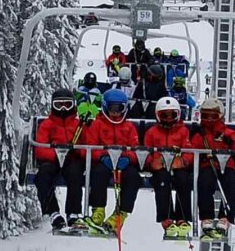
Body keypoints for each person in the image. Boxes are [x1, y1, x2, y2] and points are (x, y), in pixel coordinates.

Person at [189, 98, 235, 240]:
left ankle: (226, 217)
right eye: (205, 116)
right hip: (207, 165)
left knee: (232, 183)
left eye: (213, 116)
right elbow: (191, 150)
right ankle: (206, 217)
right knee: (203, 182)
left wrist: (231, 141)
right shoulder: (199, 134)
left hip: (227, 166)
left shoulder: (227, 133)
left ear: (220, 116)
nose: (209, 120)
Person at [85, 89, 142, 233]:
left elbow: (136, 149)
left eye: (120, 109)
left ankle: (121, 213)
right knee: (98, 173)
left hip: (123, 162)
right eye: (112, 108)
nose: (116, 112)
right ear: (105, 107)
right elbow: (89, 146)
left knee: (133, 177)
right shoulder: (97, 125)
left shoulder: (129, 127)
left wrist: (128, 158)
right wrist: (102, 156)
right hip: (104, 162)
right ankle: (98, 211)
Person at [34, 89, 89, 230]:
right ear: (53, 105)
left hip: (72, 159)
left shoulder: (78, 125)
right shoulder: (48, 124)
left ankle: (73, 212)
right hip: (52, 160)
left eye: (67, 104)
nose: (63, 108)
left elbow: (88, 145)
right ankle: (53, 212)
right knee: (43, 175)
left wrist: (78, 151)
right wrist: (56, 154)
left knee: (75, 173)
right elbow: (40, 148)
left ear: (73, 105)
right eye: (59, 105)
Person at [144, 97, 194, 238]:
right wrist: (151, 163)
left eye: (172, 115)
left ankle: (182, 217)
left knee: (183, 179)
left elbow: (190, 151)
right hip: (160, 169)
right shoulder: (152, 132)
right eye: (164, 115)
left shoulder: (183, 131)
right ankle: (166, 218)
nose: (168, 118)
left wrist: (183, 162)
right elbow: (145, 152)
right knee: (162, 180)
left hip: (178, 167)